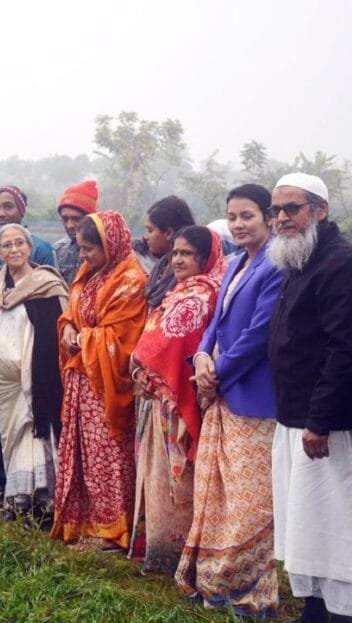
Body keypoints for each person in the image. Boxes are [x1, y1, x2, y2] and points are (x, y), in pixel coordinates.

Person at [176, 183, 282, 616]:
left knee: (249, 502)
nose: (238, 224)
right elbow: (215, 325)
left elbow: (259, 335)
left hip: (254, 398)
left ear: (269, 218)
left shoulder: (277, 265)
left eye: (248, 216)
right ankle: (218, 583)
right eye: (232, 217)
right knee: (216, 494)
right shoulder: (237, 263)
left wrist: (215, 375)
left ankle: (254, 594)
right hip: (221, 392)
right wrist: (201, 355)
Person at [267, 173, 352, 623]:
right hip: (296, 419)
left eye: (292, 208)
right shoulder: (300, 260)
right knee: (309, 528)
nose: (282, 218)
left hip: (328, 428)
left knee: (336, 528)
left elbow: (346, 348)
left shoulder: (339, 262)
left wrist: (320, 419)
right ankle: (316, 609)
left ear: (319, 210)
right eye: (276, 210)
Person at [128, 226, 225, 575]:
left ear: (205, 257)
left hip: (177, 402)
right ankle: (161, 551)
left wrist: (143, 367)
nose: (179, 259)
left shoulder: (202, 294)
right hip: (157, 400)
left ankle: (178, 554)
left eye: (188, 253)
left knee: (177, 477)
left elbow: (172, 345)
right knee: (157, 475)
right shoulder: (179, 290)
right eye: (176, 252)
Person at [50, 211, 148, 550]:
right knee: (83, 454)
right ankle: (83, 522)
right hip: (83, 379)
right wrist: (68, 329)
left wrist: (82, 339)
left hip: (106, 384)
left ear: (112, 244)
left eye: (89, 248)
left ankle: (111, 532)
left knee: (106, 457)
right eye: (80, 248)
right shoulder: (91, 272)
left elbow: (123, 337)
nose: (83, 256)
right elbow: (70, 313)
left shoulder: (131, 280)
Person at [0, 224, 68, 517]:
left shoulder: (45, 283)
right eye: (6, 245)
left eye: (19, 243)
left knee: (36, 431)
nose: (14, 250)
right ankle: (17, 499)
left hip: (36, 378)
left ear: (30, 248)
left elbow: (55, 331)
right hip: (5, 386)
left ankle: (44, 500)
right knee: (11, 435)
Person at [0, 185, 56, 306]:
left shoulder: (41, 249)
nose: (0, 213)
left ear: (22, 210)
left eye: (8, 207)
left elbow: (51, 297)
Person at [143, 196, 196, 309]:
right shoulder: (161, 266)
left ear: (168, 233)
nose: (145, 237)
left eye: (150, 230)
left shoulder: (188, 272)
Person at [52, 181, 99, 285]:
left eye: (76, 219)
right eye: (65, 219)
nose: (69, 225)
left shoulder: (105, 252)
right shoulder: (57, 251)